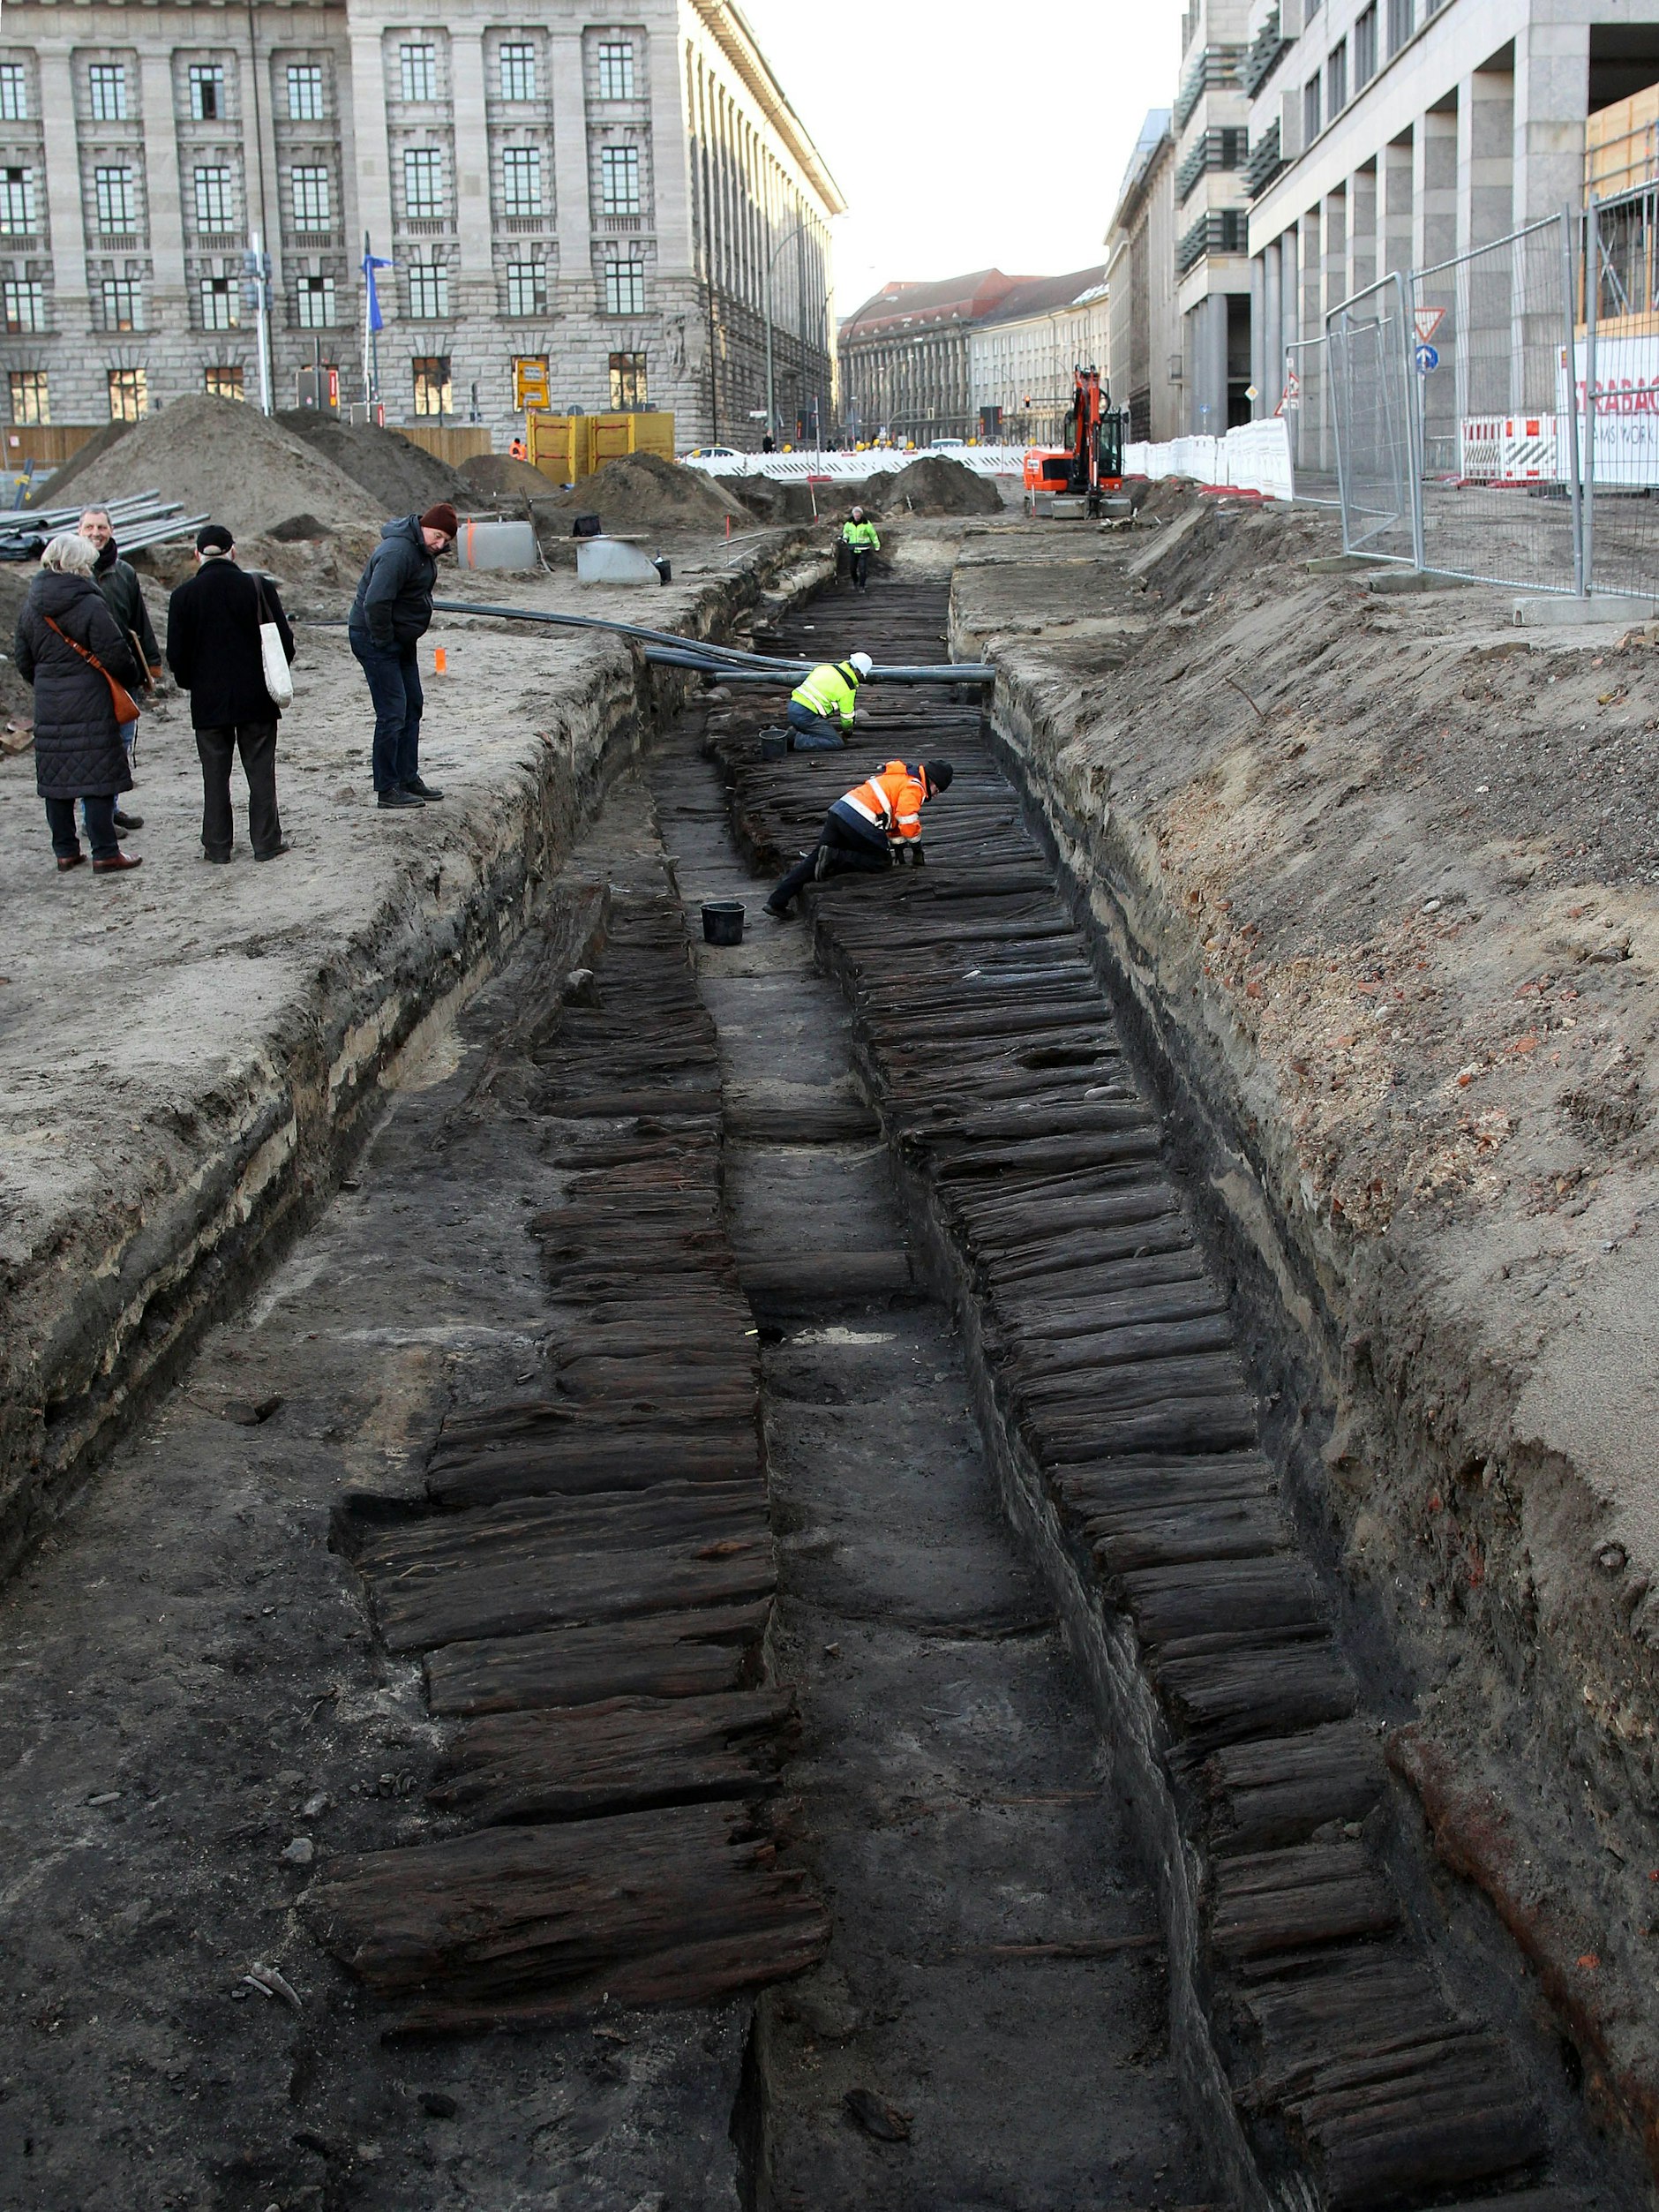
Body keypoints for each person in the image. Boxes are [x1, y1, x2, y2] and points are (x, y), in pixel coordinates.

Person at [165, 523, 296, 864]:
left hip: (208, 703)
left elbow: (176, 656)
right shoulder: (257, 587)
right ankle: (266, 843)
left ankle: (217, 847)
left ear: (197, 555)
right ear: (232, 551)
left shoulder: (183, 597)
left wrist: (193, 682)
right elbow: (284, 643)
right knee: (261, 773)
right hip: (257, 699)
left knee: (214, 777)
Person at [15, 531, 144, 875]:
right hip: (92, 701)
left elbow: (23, 660)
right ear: (78, 564)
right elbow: (116, 653)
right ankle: (105, 852)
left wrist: (47, 685)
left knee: (57, 782)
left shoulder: (31, 606)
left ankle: (66, 852)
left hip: (50, 705)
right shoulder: (89, 603)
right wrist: (129, 679)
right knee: (98, 777)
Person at [348, 501, 458, 810]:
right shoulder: (398, 552)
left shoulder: (422, 552)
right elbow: (375, 602)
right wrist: (384, 641)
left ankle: (408, 777)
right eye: (437, 536)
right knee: (393, 712)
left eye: (445, 540)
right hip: (375, 638)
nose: (440, 544)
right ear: (423, 526)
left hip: (399, 639)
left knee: (413, 705)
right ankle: (388, 788)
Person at [764, 757, 953, 919]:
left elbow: (895, 823)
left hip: (841, 809)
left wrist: (899, 851)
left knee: (815, 859)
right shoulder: (915, 786)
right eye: (938, 790)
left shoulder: (901, 776)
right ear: (933, 781)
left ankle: (776, 902)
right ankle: (834, 857)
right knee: (880, 861)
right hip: (860, 818)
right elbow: (906, 817)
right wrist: (917, 847)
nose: (936, 795)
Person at [79, 504, 161, 836]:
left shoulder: (124, 573)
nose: (96, 533)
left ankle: (108, 809)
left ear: (111, 531)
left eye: (101, 527)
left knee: (121, 743)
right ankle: (93, 818)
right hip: (85, 675)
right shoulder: (71, 571)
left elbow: (139, 621)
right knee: (93, 748)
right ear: (79, 531)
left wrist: (150, 665)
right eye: (89, 528)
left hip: (122, 673)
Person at [787, 651, 873, 753]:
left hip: (792, 707)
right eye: (861, 676)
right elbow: (847, 718)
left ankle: (794, 732)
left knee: (818, 729)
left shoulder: (826, 668)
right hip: (807, 716)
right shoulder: (847, 689)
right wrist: (847, 732)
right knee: (835, 742)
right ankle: (794, 740)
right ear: (857, 672)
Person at [840, 506, 881, 591]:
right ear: (853, 515)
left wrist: (877, 546)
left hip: (864, 549)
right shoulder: (848, 524)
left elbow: (873, 535)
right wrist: (845, 538)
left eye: (858, 516)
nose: (857, 517)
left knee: (863, 568)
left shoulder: (867, 524)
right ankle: (856, 582)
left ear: (861, 515)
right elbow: (846, 533)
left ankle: (862, 586)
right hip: (853, 548)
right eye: (855, 516)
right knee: (852, 568)